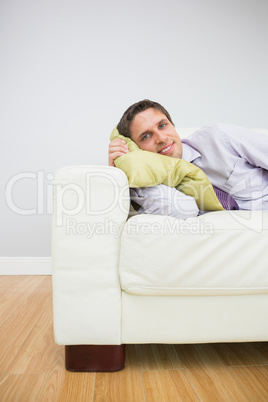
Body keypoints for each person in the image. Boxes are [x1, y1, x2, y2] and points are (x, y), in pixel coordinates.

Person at [109, 99, 268, 219]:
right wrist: (128, 164)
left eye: (163, 125)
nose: (161, 138)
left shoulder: (218, 137)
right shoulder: (163, 188)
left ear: (173, 125)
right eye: (146, 136)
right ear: (137, 148)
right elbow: (179, 209)